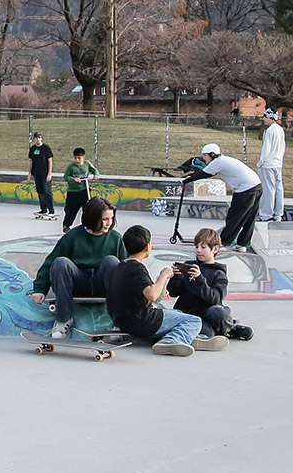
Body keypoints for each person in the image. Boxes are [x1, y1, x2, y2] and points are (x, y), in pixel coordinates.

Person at [103, 224, 219, 356]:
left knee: (177, 313)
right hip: (141, 322)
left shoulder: (120, 266)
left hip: (122, 320)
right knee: (194, 321)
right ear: (147, 247)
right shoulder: (137, 268)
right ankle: (172, 340)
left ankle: (187, 337)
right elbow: (152, 295)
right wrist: (163, 276)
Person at [30, 197, 126, 339]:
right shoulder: (73, 236)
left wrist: (141, 292)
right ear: (93, 218)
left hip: (103, 284)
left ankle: (118, 321)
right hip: (78, 283)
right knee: (61, 262)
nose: (109, 223)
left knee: (112, 261)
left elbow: (130, 267)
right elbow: (49, 263)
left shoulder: (115, 238)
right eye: (105, 219)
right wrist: (39, 289)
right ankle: (64, 319)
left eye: (111, 219)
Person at [167, 227, 250, 341]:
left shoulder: (219, 274)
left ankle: (230, 329)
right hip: (188, 313)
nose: (198, 250)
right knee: (203, 331)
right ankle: (211, 332)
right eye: (196, 247)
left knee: (217, 312)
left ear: (215, 249)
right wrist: (177, 277)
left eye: (203, 247)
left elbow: (214, 299)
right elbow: (173, 293)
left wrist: (200, 280)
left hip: (207, 314)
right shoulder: (189, 266)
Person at [186, 143, 262, 252]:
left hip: (245, 189)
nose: (204, 158)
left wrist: (185, 181)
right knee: (250, 217)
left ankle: (224, 243)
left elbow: (203, 174)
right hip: (257, 185)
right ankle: (243, 244)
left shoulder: (217, 162)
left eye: (205, 155)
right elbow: (204, 172)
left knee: (234, 217)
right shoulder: (224, 160)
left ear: (212, 155)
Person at [256, 108, 286, 222]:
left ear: (271, 117)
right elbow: (283, 147)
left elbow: (266, 149)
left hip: (268, 164)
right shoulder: (280, 130)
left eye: (265, 117)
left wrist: (261, 162)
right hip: (277, 163)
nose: (263, 119)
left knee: (268, 189)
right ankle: (278, 213)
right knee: (278, 188)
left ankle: (266, 214)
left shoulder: (269, 131)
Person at [62, 147, 98, 231]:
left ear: (83, 158)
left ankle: (86, 225)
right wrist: (73, 179)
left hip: (84, 190)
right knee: (71, 210)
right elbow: (66, 176)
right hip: (73, 192)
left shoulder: (87, 164)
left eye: (79, 158)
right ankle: (66, 225)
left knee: (87, 209)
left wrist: (96, 175)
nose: (77, 160)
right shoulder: (71, 166)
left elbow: (94, 170)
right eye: (75, 158)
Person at [27, 132, 55, 219]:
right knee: (40, 192)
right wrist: (29, 173)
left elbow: (50, 160)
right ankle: (43, 209)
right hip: (36, 173)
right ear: (34, 139)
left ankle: (51, 211)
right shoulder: (32, 149)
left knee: (47, 191)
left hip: (45, 174)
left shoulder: (46, 148)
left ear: (41, 138)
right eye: (36, 138)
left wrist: (49, 173)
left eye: (39, 138)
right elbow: (31, 162)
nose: (38, 139)